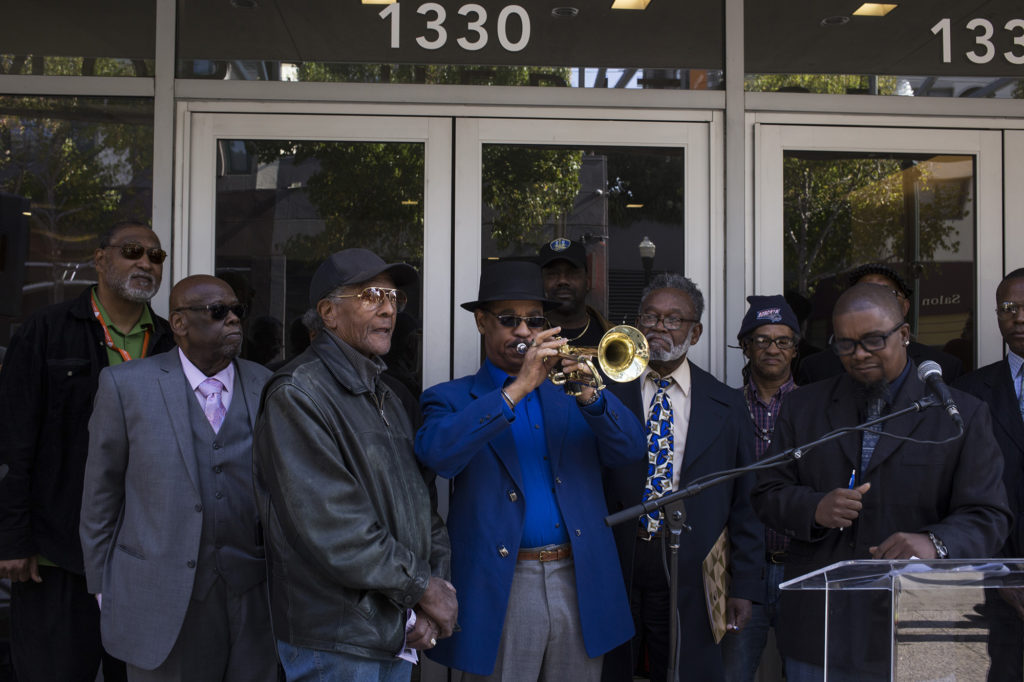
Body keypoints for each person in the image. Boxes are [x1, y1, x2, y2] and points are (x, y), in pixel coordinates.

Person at [751, 282, 1011, 681]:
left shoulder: (961, 414)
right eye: (846, 344)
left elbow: (989, 516)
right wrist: (814, 508)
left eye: (873, 341)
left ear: (904, 334)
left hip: (922, 625)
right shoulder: (803, 406)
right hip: (822, 631)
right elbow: (767, 493)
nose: (859, 355)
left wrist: (935, 542)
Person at [415, 259, 645, 681]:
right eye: (509, 320)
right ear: (482, 323)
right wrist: (518, 388)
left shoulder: (572, 395)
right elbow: (439, 457)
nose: (523, 331)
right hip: (503, 581)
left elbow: (631, 451)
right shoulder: (450, 398)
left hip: (579, 578)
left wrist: (593, 397)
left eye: (534, 321)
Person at [253, 248, 455, 681]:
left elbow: (422, 507)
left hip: (393, 630)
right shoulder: (297, 393)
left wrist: (430, 594)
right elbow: (334, 527)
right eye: (370, 296)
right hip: (336, 639)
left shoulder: (385, 394)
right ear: (328, 312)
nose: (388, 308)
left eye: (393, 297)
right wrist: (421, 589)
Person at [0, 220, 173, 682]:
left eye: (155, 257)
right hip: (58, 553)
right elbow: (13, 436)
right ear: (100, 259)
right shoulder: (47, 330)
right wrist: (14, 539)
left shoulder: (171, 342)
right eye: (132, 251)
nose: (145, 263)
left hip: (142, 556)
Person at [80, 275, 276, 681]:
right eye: (219, 312)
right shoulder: (125, 386)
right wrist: (104, 588)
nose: (234, 320)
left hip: (253, 594)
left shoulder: (267, 385)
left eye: (238, 310)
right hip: (158, 595)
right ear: (179, 324)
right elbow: (101, 494)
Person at [602, 273, 763, 682]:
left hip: (691, 568)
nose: (659, 327)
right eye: (650, 317)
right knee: (611, 669)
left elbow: (746, 504)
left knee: (685, 671)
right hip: (616, 559)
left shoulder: (727, 404)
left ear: (697, 331)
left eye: (673, 319)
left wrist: (743, 586)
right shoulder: (602, 392)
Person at [721, 295, 801, 682]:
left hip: (802, 566)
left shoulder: (816, 407)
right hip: (739, 572)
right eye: (763, 340)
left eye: (783, 340)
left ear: (795, 349)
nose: (773, 348)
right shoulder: (723, 406)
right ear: (746, 346)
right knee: (731, 673)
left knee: (807, 673)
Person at [954, 267, 1024, 682]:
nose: (1018, 318)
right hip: (998, 582)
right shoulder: (968, 392)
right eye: (1008, 308)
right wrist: (1002, 574)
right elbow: (962, 495)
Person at [797, 263, 962, 384]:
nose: (874, 299)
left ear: (905, 307)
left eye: (886, 293)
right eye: (865, 292)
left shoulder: (942, 367)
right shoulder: (816, 368)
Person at [538, 237, 612, 348]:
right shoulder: (529, 335)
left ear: (588, 282)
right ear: (541, 282)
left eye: (572, 273)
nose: (562, 280)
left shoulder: (614, 337)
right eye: (552, 274)